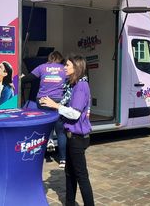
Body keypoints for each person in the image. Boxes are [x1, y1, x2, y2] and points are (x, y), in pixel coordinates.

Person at [39, 55, 94, 206]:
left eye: (67, 65)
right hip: (71, 136)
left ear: (76, 67)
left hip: (77, 138)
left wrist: (55, 105)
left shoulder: (81, 86)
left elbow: (75, 113)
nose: (64, 68)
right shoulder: (72, 85)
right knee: (69, 174)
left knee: (81, 176)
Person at [21, 51, 67, 168]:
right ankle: (62, 160)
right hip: (58, 101)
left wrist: (22, 77)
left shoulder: (42, 67)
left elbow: (27, 79)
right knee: (61, 132)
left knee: (45, 126)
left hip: (42, 101)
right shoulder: (64, 69)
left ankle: (47, 143)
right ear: (60, 59)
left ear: (49, 58)